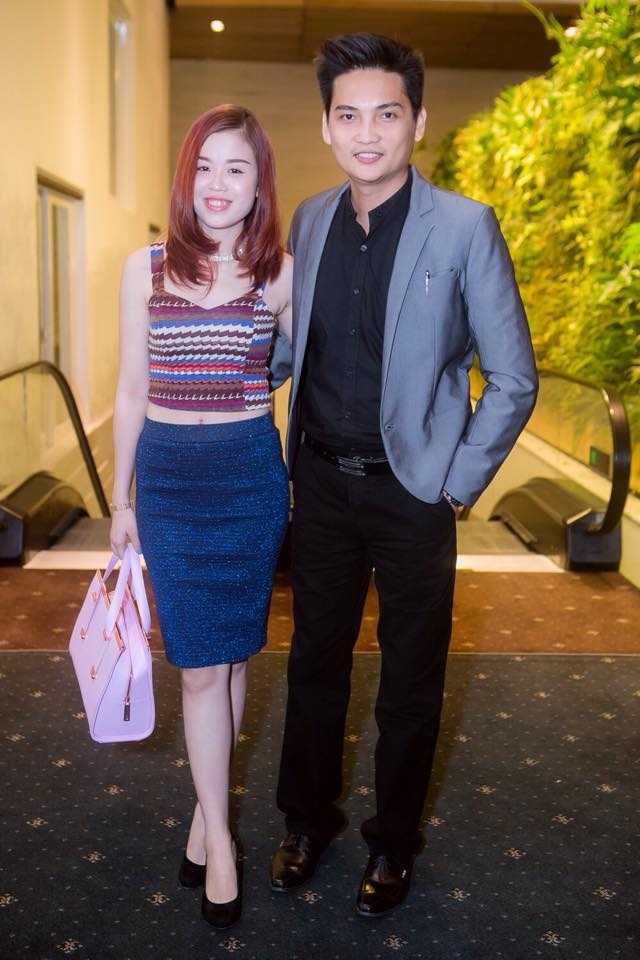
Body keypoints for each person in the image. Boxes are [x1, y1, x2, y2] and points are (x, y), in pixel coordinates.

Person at [268, 33, 538, 917]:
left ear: (417, 121)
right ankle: (307, 821)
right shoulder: (309, 220)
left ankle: (392, 843)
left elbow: (513, 376)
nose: (367, 133)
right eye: (348, 116)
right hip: (321, 483)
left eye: (386, 114)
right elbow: (290, 348)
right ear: (326, 126)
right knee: (313, 665)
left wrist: (456, 484)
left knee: (411, 681)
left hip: (414, 489)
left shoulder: (464, 226)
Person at [110, 104, 292, 929]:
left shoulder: (280, 275)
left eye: (237, 168)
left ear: (259, 185)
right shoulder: (145, 268)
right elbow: (130, 391)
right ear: (188, 177)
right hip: (173, 484)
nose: (219, 184)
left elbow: (308, 369)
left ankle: (202, 818)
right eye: (206, 167)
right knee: (198, 666)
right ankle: (221, 838)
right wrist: (120, 500)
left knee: (232, 652)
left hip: (249, 477)